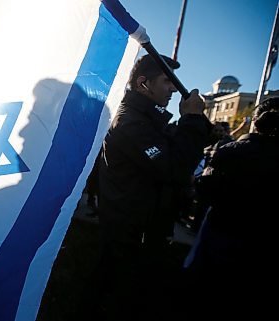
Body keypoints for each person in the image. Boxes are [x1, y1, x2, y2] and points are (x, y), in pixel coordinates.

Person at [96, 54, 211, 320]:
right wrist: (191, 120)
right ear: (143, 83)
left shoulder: (147, 121)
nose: (173, 88)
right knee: (117, 302)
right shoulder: (131, 122)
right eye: (166, 81)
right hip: (128, 240)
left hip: (142, 234)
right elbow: (174, 169)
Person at [185, 97, 279, 320]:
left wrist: (195, 183)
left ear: (255, 122)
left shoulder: (232, 152)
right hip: (261, 247)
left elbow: (206, 188)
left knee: (205, 295)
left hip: (222, 235)